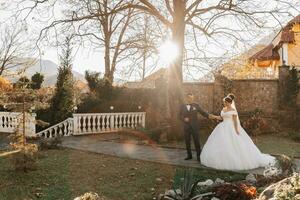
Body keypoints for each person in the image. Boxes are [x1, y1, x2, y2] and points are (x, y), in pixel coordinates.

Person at [200, 95, 276, 170]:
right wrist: (215, 117)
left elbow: (235, 121)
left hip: (231, 127)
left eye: (226, 102)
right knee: (221, 142)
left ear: (230, 102)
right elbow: (221, 117)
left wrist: (236, 130)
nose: (225, 104)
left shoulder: (233, 110)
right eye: (224, 102)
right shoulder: (223, 109)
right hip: (222, 126)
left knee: (234, 143)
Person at [179, 93, 217, 162]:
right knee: (187, 142)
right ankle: (189, 155)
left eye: (192, 98)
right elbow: (179, 116)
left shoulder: (196, 105)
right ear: (186, 98)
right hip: (186, 127)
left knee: (197, 142)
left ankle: (199, 156)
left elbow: (203, 113)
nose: (190, 99)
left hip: (194, 127)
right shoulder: (182, 106)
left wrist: (210, 116)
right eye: (189, 98)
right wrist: (183, 119)